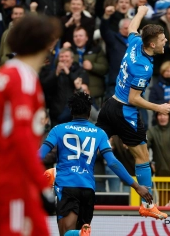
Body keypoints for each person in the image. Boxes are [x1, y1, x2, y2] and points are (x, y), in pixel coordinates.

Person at [0, 14, 62, 236]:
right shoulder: (23, 78)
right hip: (15, 178)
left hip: (1, 174)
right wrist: (40, 185)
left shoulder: (4, 73)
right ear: (46, 43)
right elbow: (22, 136)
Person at [40, 92, 152, 236]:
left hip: (67, 186)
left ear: (71, 111)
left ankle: (78, 233)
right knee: (80, 231)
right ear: (89, 112)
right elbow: (112, 163)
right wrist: (136, 186)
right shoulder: (99, 133)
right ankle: (80, 233)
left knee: (67, 233)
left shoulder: (58, 130)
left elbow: (40, 156)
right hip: (88, 190)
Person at [96, 5, 170, 220]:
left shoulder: (135, 43)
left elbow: (132, 28)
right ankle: (148, 204)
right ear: (152, 44)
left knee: (92, 144)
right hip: (125, 111)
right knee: (142, 156)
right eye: (162, 38)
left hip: (110, 104)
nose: (165, 40)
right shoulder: (143, 67)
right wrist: (159, 107)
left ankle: (60, 173)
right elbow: (134, 99)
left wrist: (139, 12)